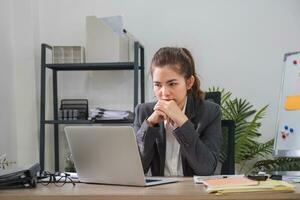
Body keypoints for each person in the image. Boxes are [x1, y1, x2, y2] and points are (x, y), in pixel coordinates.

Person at [133, 47, 222, 176]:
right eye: (157, 85)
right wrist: (150, 124)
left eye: (172, 84)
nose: (164, 93)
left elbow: (206, 169)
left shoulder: (210, 112)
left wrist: (182, 122)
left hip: (194, 192)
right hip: (158, 193)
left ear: (189, 82)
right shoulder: (144, 112)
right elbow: (136, 170)